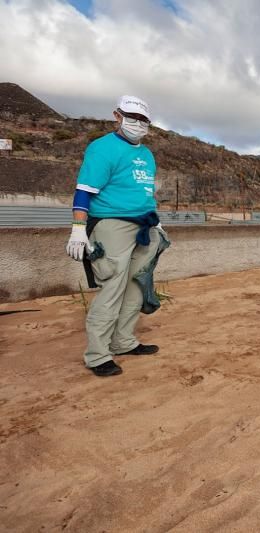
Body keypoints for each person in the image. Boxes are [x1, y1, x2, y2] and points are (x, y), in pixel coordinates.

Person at [66, 95, 167, 377]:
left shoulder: (147, 154)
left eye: (143, 120)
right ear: (117, 116)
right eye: (132, 117)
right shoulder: (102, 149)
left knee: (137, 285)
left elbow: (145, 193)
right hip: (112, 225)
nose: (138, 124)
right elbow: (84, 191)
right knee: (112, 286)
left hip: (145, 226)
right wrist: (78, 228)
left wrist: (156, 222)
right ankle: (98, 355)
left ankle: (123, 341)